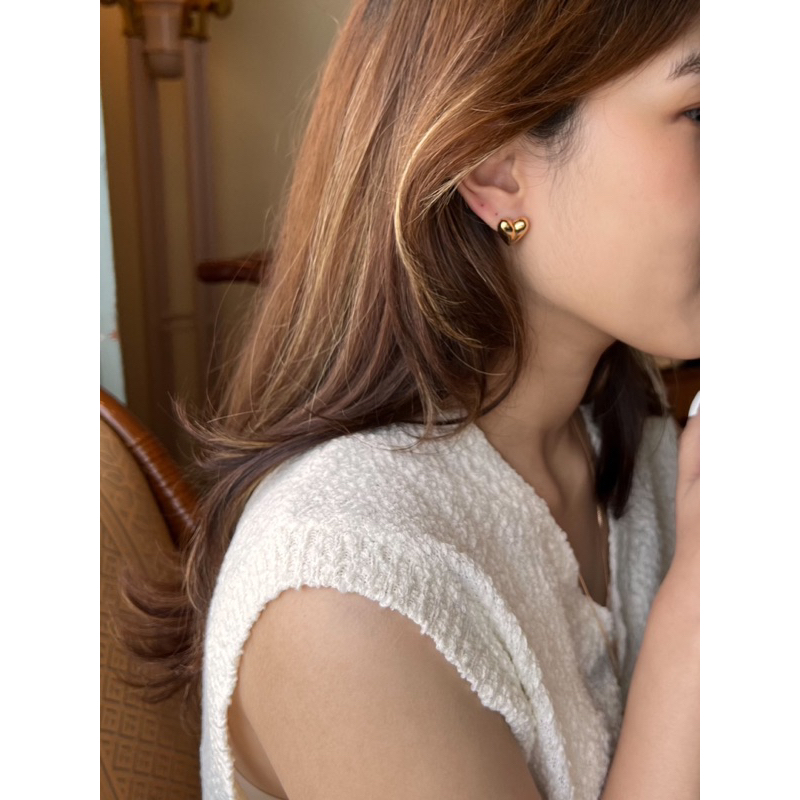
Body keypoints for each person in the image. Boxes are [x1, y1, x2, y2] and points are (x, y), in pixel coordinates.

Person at [122, 1, 700, 798]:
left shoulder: (633, 441)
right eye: (707, 114)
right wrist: (704, 615)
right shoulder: (345, 588)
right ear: (494, 170)